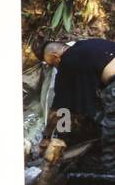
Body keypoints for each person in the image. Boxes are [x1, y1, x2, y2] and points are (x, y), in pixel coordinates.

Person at [39, 38, 115, 172]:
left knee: (110, 134)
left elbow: (61, 110)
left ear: (56, 57)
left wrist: (48, 136)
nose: (56, 68)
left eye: (53, 65)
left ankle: (108, 177)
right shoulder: (85, 45)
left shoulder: (67, 61)